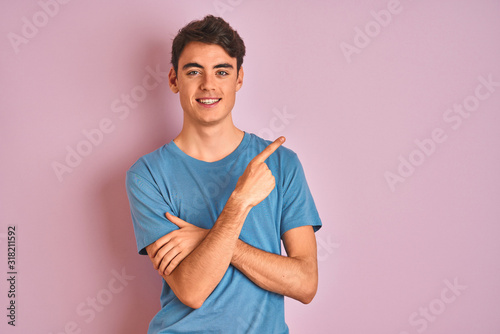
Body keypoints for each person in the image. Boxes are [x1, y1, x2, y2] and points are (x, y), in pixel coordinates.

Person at [126, 15, 322, 333]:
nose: (208, 85)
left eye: (221, 71)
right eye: (194, 71)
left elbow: (305, 284)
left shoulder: (282, 164)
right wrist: (239, 202)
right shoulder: (146, 175)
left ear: (239, 78)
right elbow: (191, 290)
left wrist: (204, 237)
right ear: (174, 80)